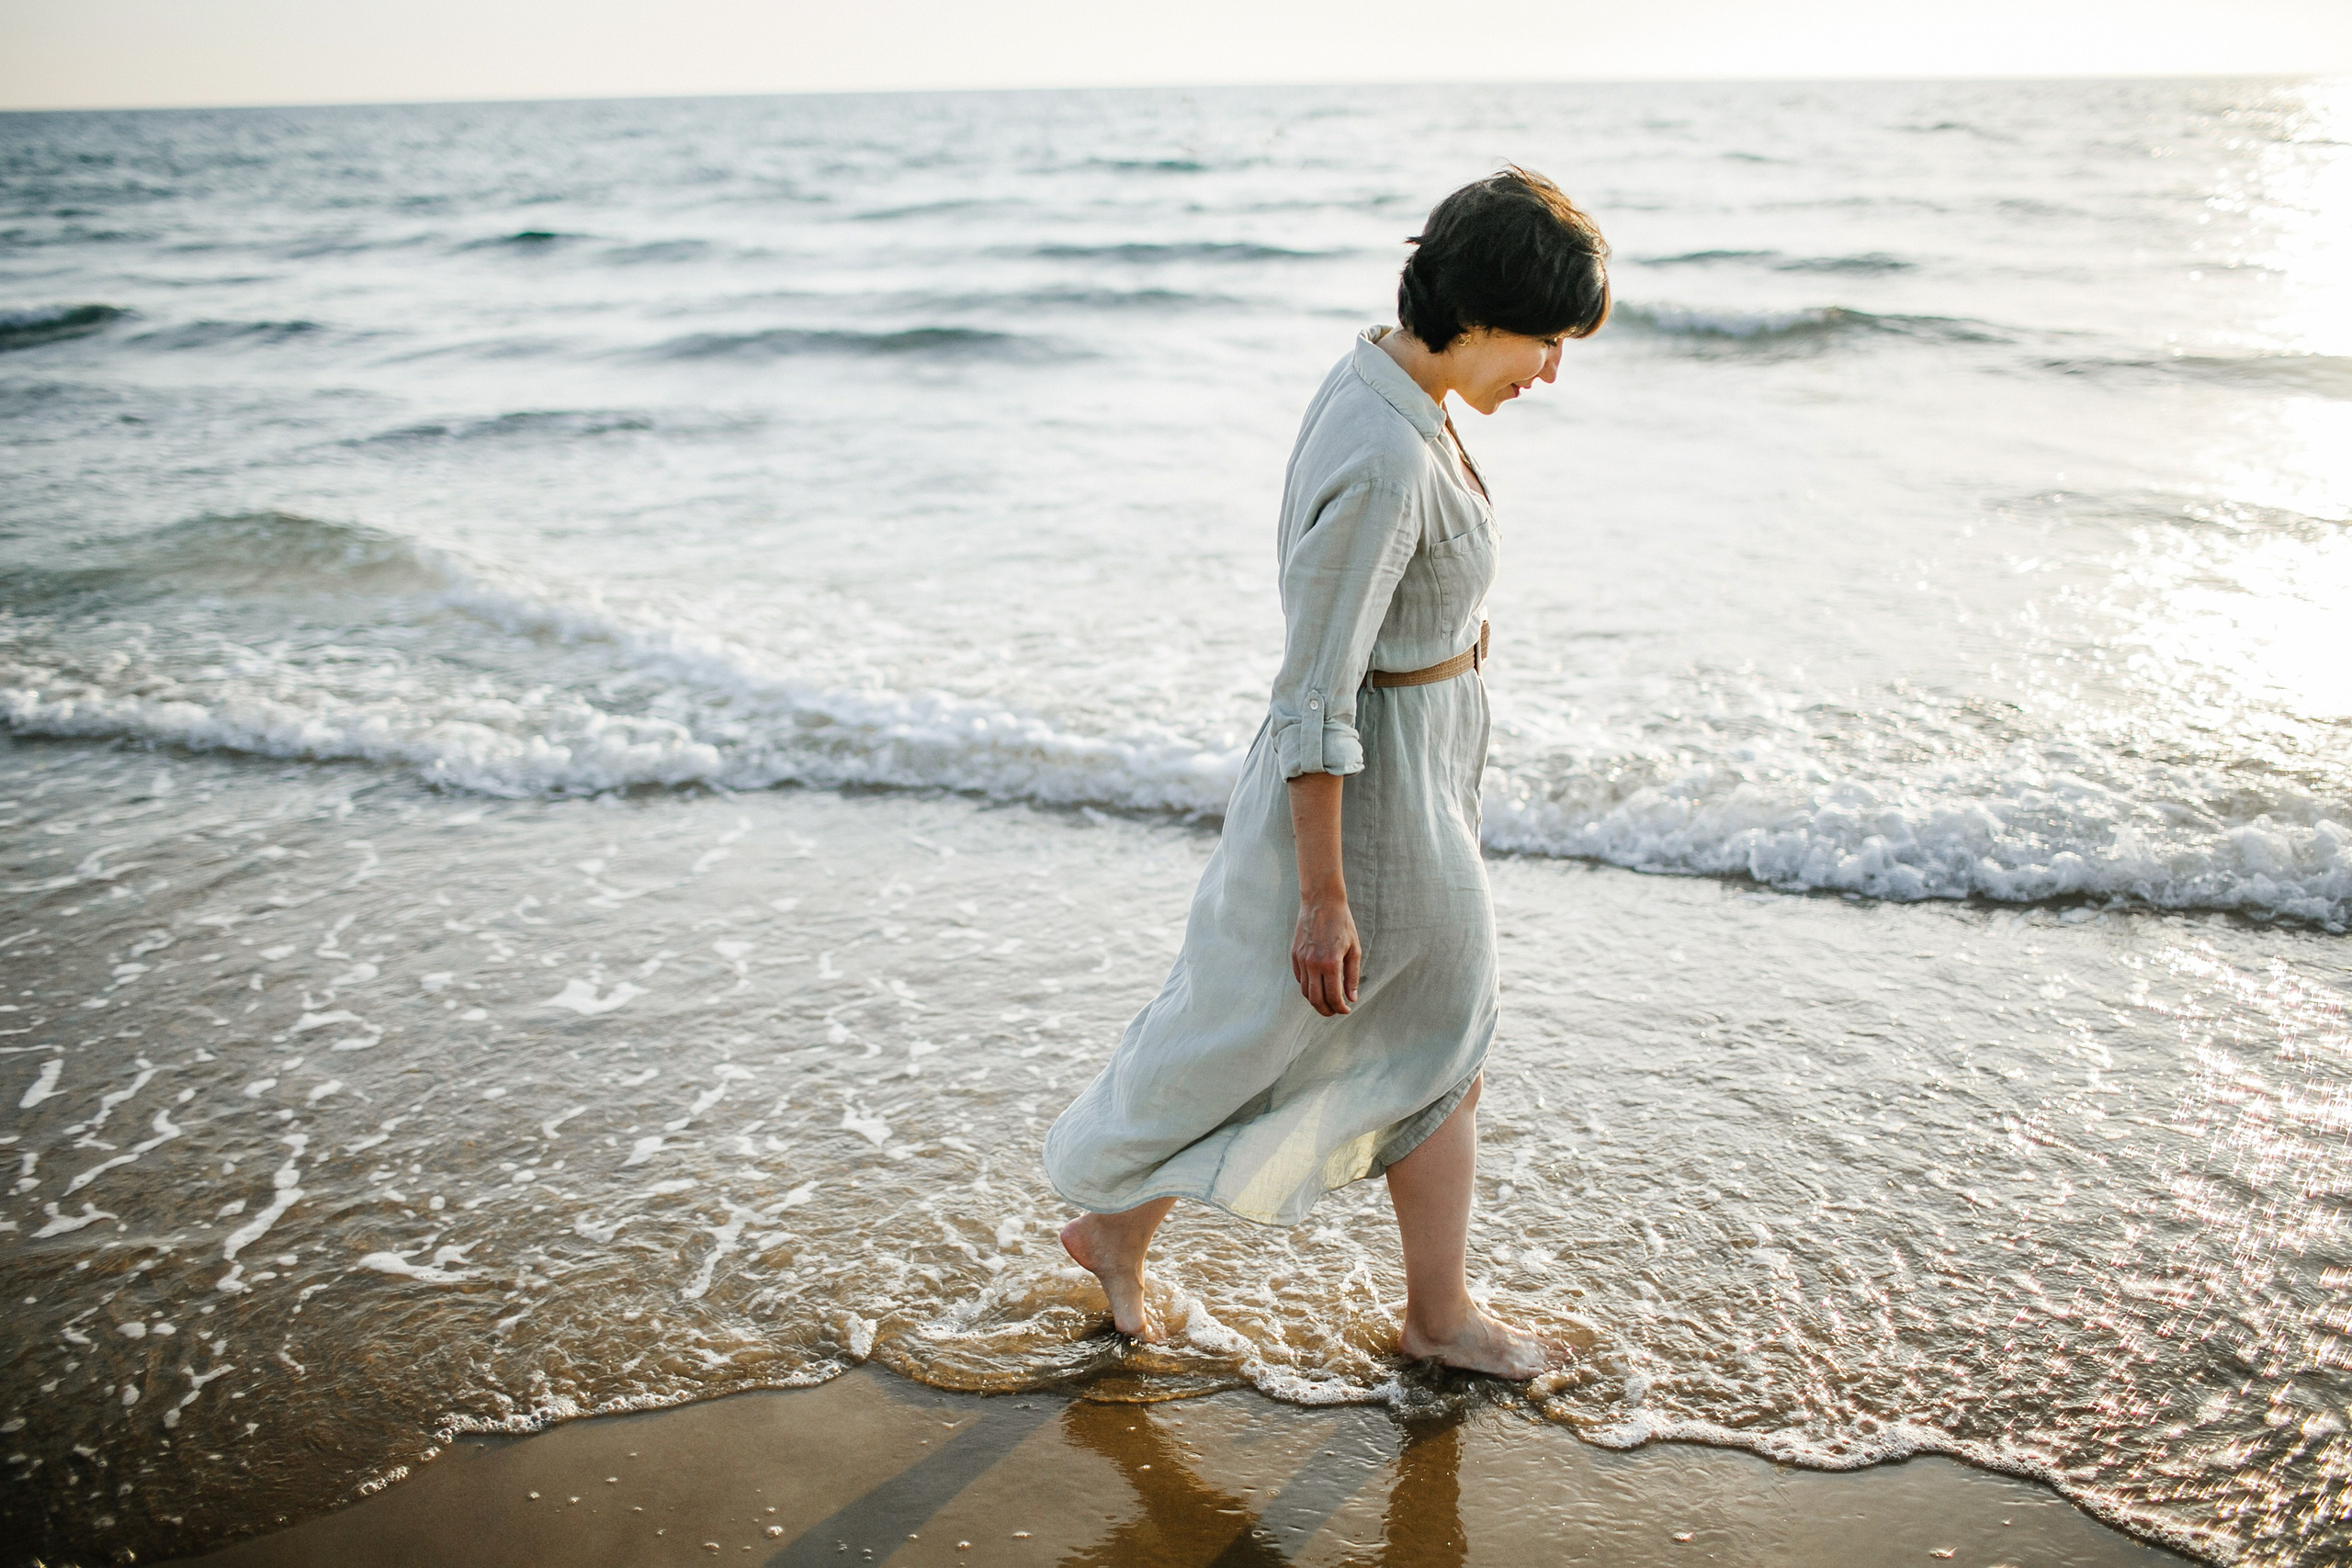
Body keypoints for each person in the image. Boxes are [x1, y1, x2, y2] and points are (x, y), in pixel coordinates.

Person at [1042, 166, 1610, 1379]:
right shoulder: (1385, 454)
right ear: (1486, 310)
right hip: (1376, 808)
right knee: (1430, 1045)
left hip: (1419, 778)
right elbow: (1314, 690)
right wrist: (1323, 892)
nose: (1551, 371)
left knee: (1271, 1035)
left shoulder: (1392, 388)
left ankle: (1113, 1232)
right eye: (1546, 341)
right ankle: (1440, 1319)